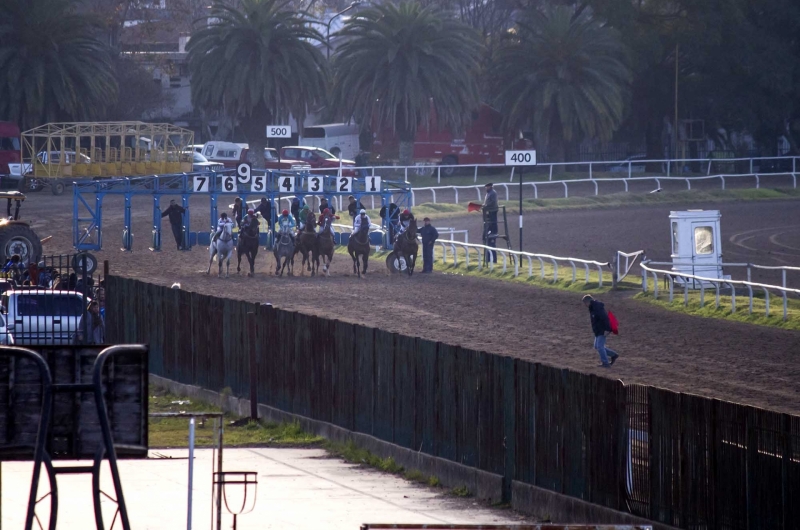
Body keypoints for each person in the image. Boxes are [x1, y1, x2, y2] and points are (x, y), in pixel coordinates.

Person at [582, 294, 619, 368]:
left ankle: (605, 363)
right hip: (598, 330)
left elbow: (605, 318)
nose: (585, 305)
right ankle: (613, 355)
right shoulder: (593, 307)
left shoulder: (597, 308)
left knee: (599, 346)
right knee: (597, 346)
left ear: (587, 302)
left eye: (585, 303)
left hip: (602, 330)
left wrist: (607, 329)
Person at [482, 182, 498, 263]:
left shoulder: (493, 193)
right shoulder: (488, 193)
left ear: (490, 187)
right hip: (489, 211)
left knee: (493, 224)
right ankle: (488, 260)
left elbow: (492, 202)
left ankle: (493, 230)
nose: (486, 188)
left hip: (492, 211)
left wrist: (485, 206)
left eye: (487, 187)